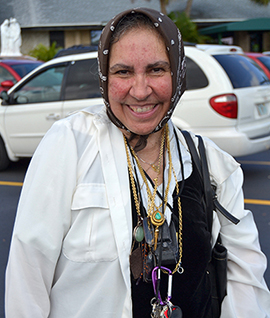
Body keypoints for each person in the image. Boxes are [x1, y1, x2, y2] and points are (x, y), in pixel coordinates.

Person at [5, 7, 270, 318]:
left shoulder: (211, 163)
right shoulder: (70, 145)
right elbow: (27, 276)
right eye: (123, 72)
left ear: (177, 72)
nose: (141, 90)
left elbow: (246, 280)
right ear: (105, 76)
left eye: (157, 69)